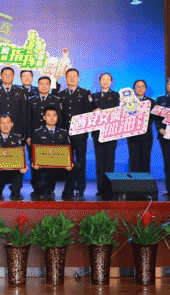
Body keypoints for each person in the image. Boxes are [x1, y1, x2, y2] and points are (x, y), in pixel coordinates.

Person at [31, 106, 82, 201]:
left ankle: (67, 192)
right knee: (42, 190)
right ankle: (45, 188)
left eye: (54, 115)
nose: (52, 118)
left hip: (59, 167)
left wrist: (69, 162)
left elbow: (68, 150)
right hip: (44, 167)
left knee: (77, 165)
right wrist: (34, 162)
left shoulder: (63, 133)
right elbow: (33, 152)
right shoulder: (37, 133)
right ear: (44, 117)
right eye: (49, 115)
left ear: (57, 117)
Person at [56, 68, 93, 199]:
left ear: (78, 78)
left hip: (80, 133)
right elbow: (59, 116)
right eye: (69, 77)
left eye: (74, 76)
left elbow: (89, 112)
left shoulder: (85, 93)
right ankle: (69, 187)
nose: (71, 79)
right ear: (65, 79)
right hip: (65, 134)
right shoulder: (61, 95)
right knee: (67, 161)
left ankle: (80, 187)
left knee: (81, 160)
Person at [0, 114, 28, 201]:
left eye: (8, 123)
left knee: (20, 172)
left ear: (12, 124)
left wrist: (24, 166)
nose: (6, 126)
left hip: (12, 171)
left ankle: (15, 192)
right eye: (3, 123)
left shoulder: (18, 138)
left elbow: (20, 157)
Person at [91, 73, 121, 197]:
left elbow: (120, 112)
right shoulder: (93, 96)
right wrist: (93, 111)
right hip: (97, 133)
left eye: (108, 79)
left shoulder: (116, 95)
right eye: (103, 79)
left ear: (111, 82)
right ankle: (100, 188)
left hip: (111, 132)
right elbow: (88, 114)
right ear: (99, 81)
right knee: (99, 162)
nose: (105, 81)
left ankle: (109, 188)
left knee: (109, 161)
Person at [0, 67, 28, 139]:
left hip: (17, 129)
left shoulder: (20, 91)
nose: (7, 77)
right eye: (5, 74)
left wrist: (24, 131)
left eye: (10, 74)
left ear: (13, 76)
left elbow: (24, 112)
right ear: (1, 76)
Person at [127, 79, 155, 173]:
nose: (140, 88)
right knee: (134, 160)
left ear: (145, 88)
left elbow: (155, 117)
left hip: (146, 135)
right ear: (134, 89)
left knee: (145, 160)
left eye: (142, 86)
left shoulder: (151, 101)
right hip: (132, 135)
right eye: (137, 86)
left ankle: (145, 182)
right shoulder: (128, 101)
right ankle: (135, 181)